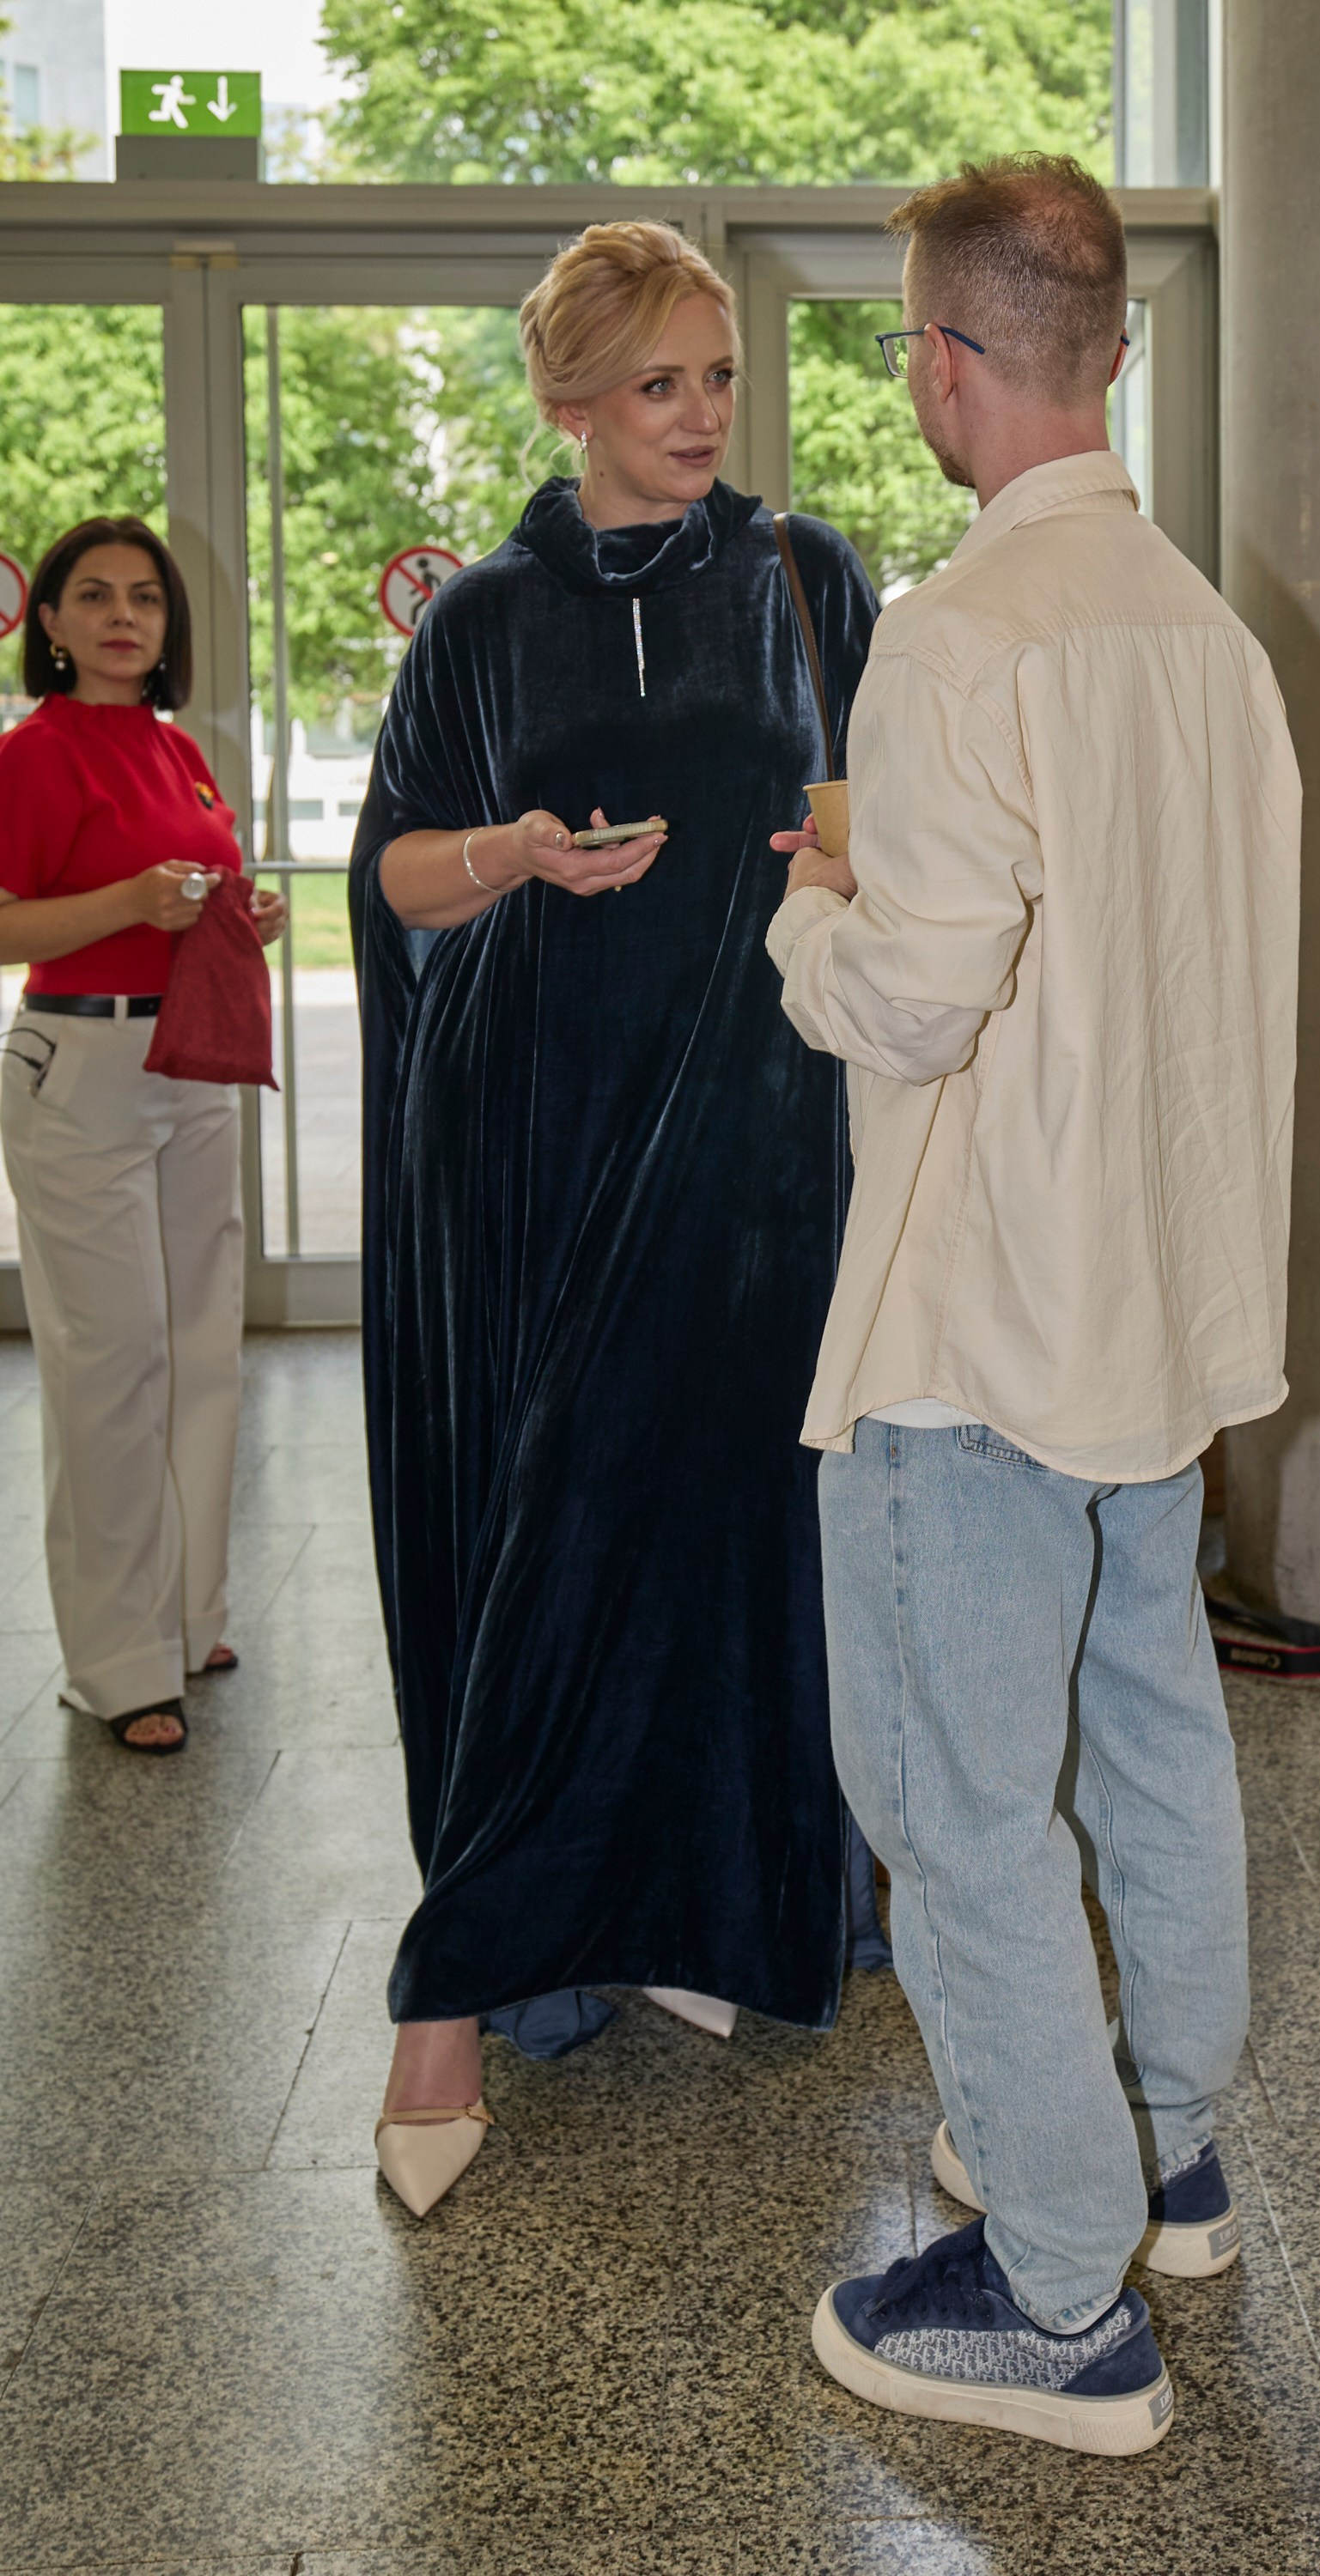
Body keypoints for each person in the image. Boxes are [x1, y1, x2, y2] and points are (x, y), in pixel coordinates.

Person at [766, 156, 1301, 2453]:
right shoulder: (1201, 626)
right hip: (1155, 1300)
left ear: (955, 362)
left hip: (984, 1314)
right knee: (1150, 1719)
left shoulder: (966, 633)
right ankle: (1159, 2150)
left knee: (954, 1796)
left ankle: (1063, 2296)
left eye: (909, 345)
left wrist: (819, 892)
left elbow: (907, 1000)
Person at [352, 221, 883, 2221]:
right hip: (530, 1138)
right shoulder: (483, 620)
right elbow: (394, 880)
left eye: (721, 377)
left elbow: (878, 817)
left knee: (715, 1516)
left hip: (756, 1147)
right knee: (538, 1525)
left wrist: (833, 853)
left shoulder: (803, 578)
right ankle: (461, 1978)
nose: (701, 418)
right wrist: (509, 854)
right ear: (569, 401)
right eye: (659, 385)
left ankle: (704, 1898)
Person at [0, 517, 286, 1754]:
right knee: (109, 1362)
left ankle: (186, 1614)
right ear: (48, 623)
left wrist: (239, 918)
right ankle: (116, 1665)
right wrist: (126, 902)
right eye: (95, 595)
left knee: (198, 1348)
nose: (125, 616)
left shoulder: (180, 753)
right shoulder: (30, 756)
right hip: (81, 1065)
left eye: (147, 600)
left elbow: (184, 893)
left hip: (189, 1056)